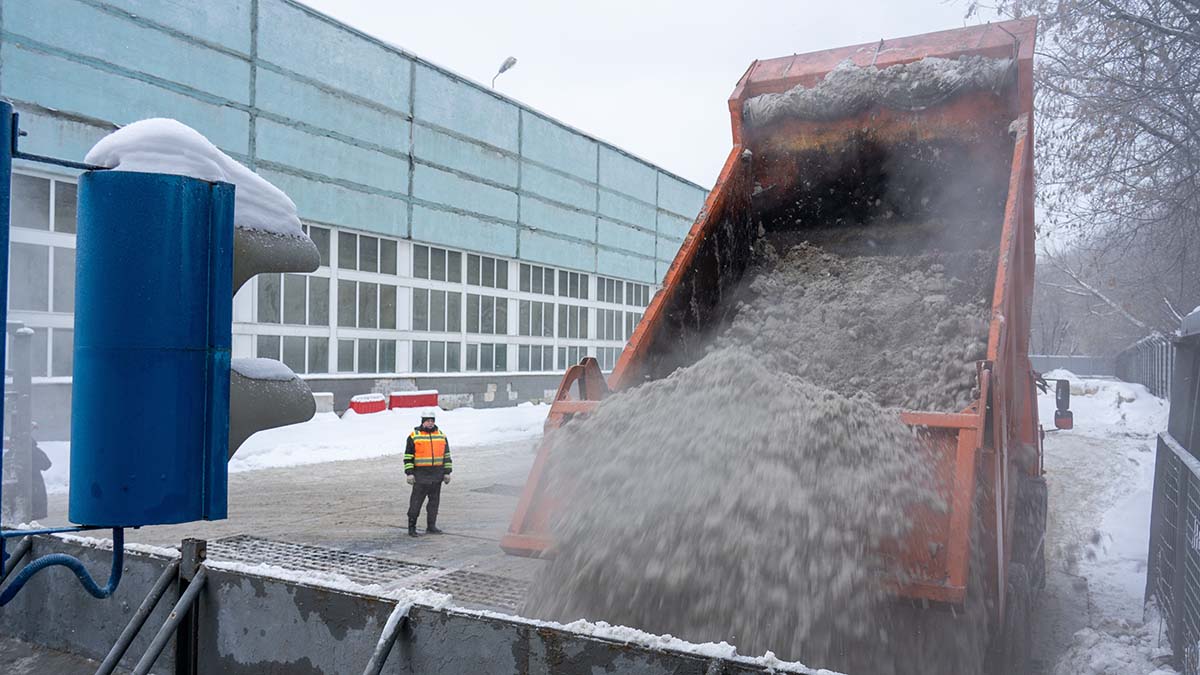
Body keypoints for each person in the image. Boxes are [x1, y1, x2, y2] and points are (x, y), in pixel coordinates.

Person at [404, 409, 452, 537]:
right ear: (423, 422)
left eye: (432, 421)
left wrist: (447, 472)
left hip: (437, 476)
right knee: (416, 503)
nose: (430, 423)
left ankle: (431, 526)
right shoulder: (414, 436)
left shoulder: (441, 436)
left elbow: (446, 456)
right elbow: (408, 457)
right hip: (420, 476)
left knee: (434, 503)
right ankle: (412, 527)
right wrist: (409, 473)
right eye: (428, 421)